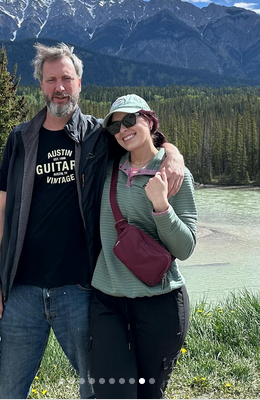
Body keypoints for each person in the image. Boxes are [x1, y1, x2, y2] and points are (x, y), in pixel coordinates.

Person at [0, 43, 185, 399]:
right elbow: (2, 210)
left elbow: (141, 141)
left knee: (95, 389)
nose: (59, 87)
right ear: (41, 85)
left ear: (78, 83)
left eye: (66, 78)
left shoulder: (98, 137)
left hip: (80, 289)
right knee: (6, 391)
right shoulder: (20, 139)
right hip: (22, 290)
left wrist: (172, 155)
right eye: (51, 79)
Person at [89, 94, 197, 399]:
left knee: (149, 393)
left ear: (149, 120)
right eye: (115, 126)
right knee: (111, 393)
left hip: (160, 302)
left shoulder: (175, 175)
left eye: (130, 120)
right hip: (106, 301)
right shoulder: (105, 170)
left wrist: (162, 207)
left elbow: (185, 248)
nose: (123, 130)